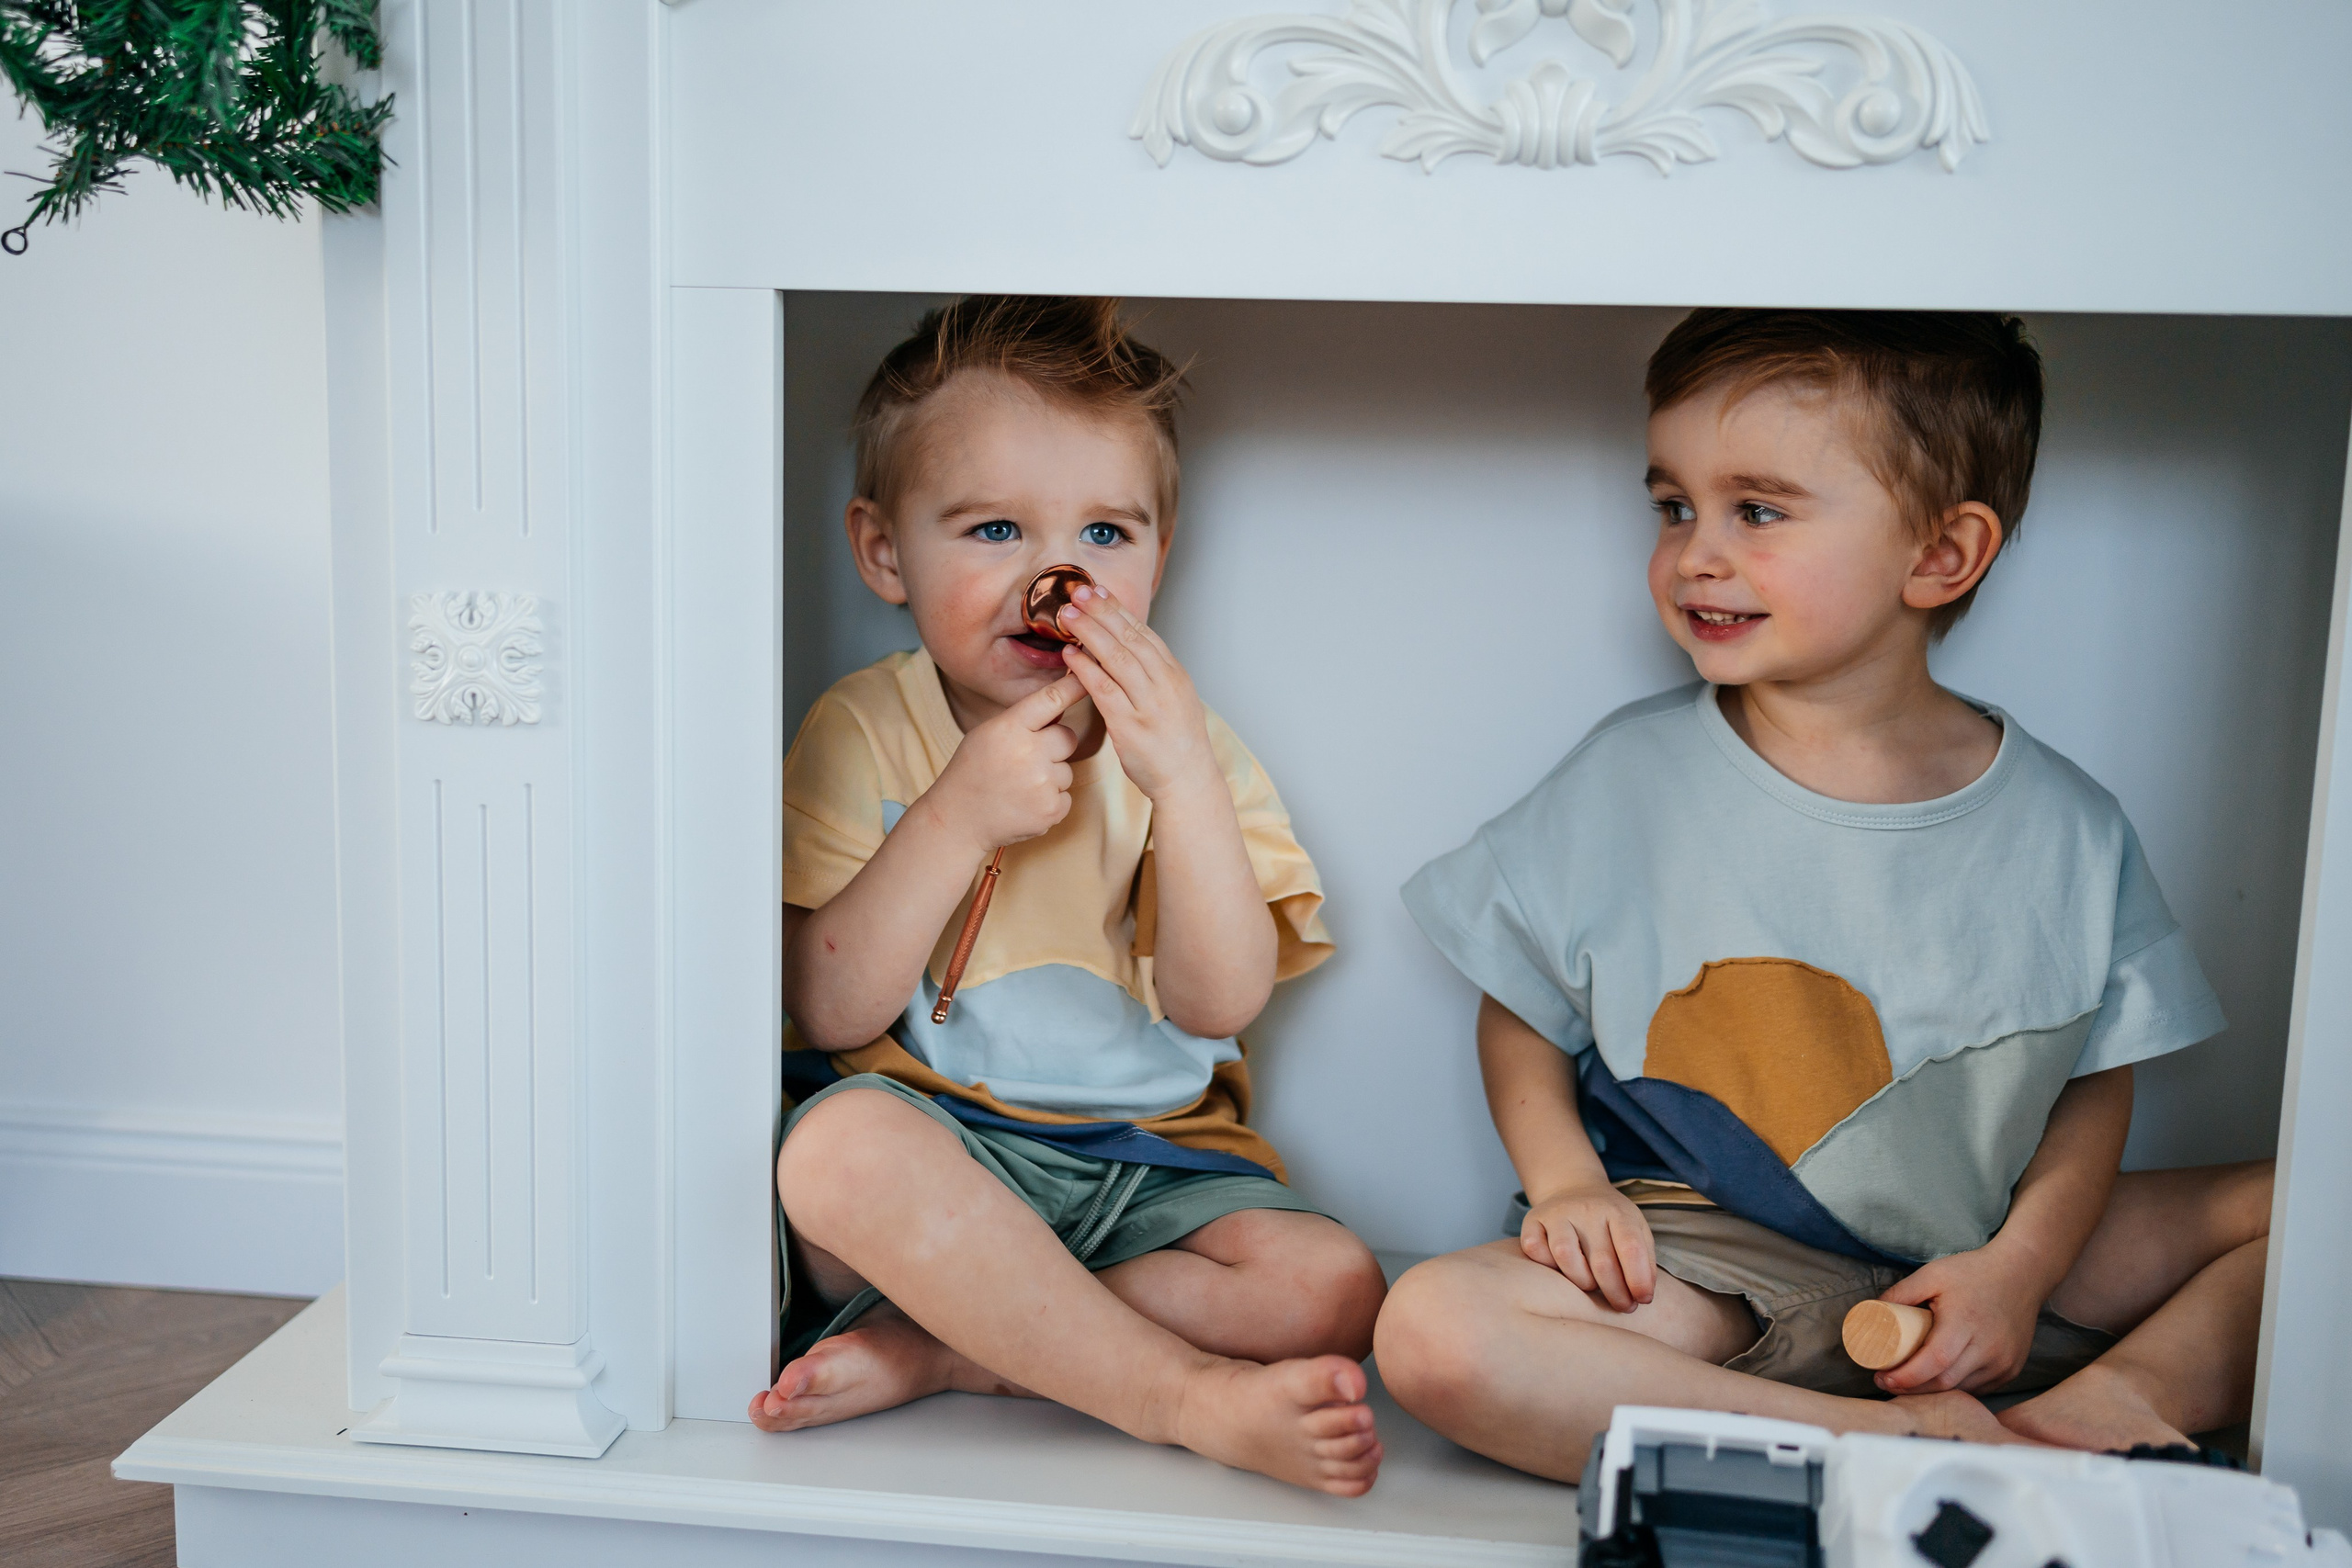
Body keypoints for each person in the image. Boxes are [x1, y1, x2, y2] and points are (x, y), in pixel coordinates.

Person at [1374, 310, 2274, 1481]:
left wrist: (2020, 1273)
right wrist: (1566, 1183)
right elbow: (1523, 1007)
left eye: (1756, 510)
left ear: (1939, 556)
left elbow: (2094, 1087)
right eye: (1673, 505)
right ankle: (1884, 1440)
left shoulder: (2069, 826)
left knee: (2308, 1205)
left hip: (1984, 1251)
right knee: (1434, 1331)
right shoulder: (1632, 778)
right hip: (1701, 1263)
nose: (1696, 551)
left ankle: (2115, 1401)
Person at [751, 295, 1388, 1497]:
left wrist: (1183, 783)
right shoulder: (865, 728)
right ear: (886, 551)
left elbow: (1217, 1001)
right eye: (995, 526)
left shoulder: (1189, 750)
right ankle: (1178, 1394)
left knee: (1338, 1287)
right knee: (831, 1154)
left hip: (1149, 1162)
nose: (1057, 574)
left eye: (1105, 533)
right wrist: (958, 812)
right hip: (940, 1149)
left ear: (1163, 549)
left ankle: (960, 1343)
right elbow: (829, 1009)